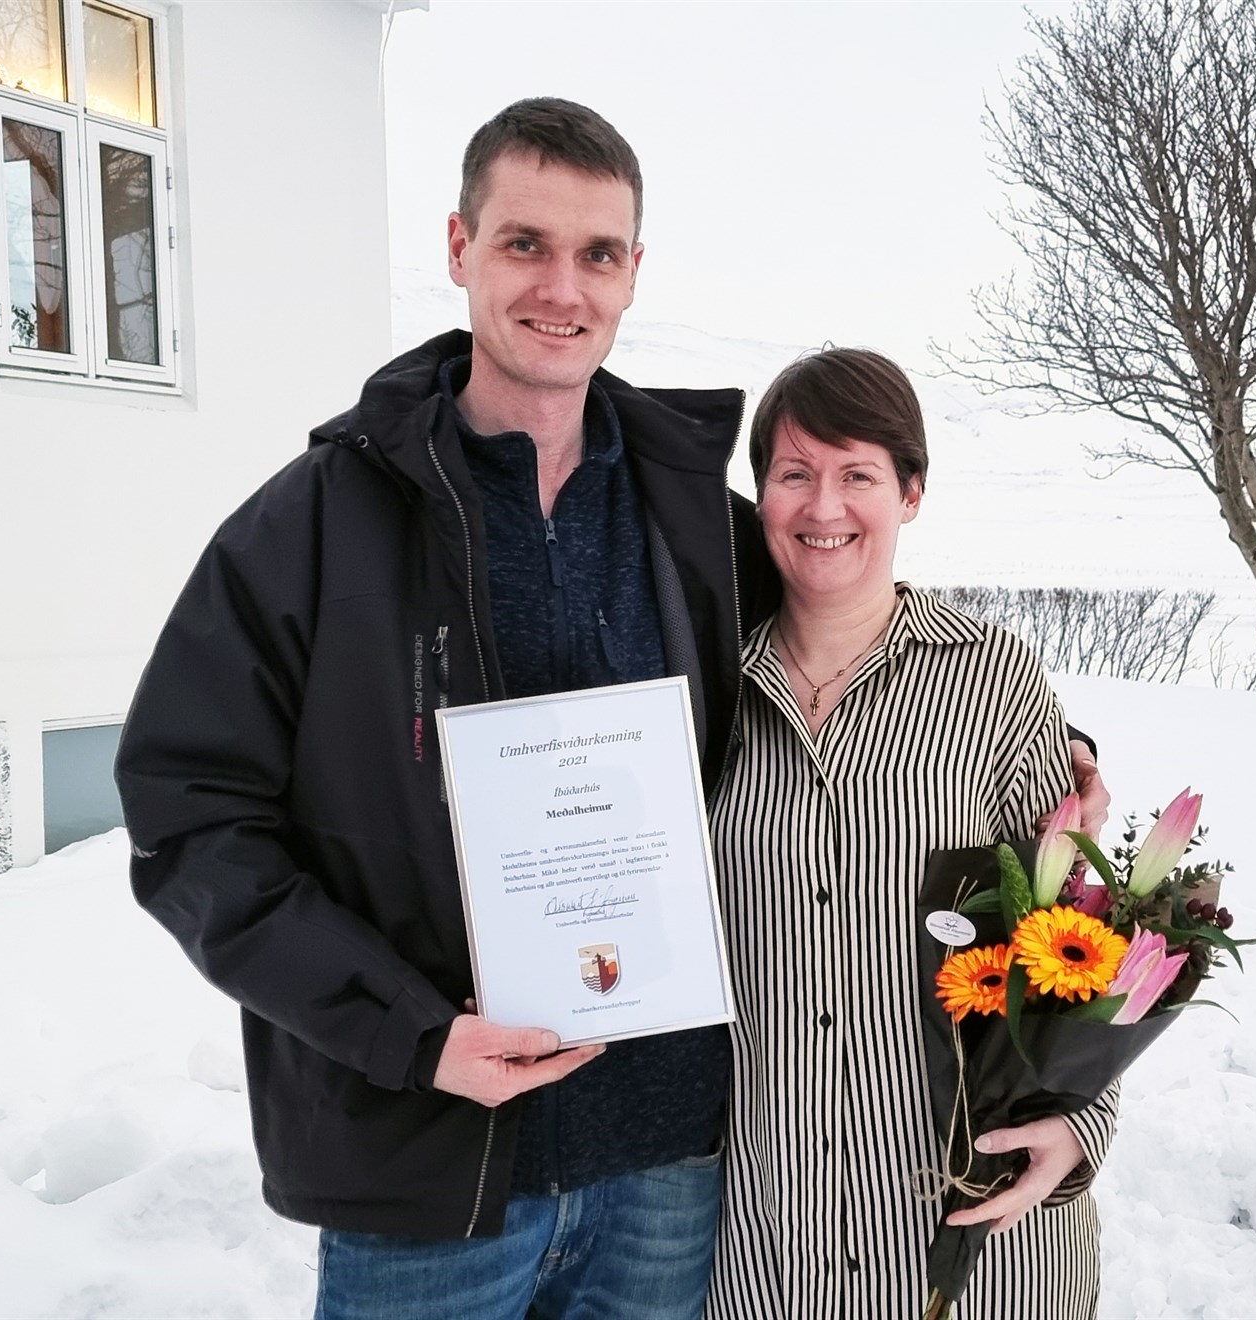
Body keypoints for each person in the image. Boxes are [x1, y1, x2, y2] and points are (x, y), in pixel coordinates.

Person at [115, 99, 1110, 1317]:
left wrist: (1044, 740)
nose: (561, 286)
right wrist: (412, 1036)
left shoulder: (689, 515)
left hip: (669, 1179)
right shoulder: (315, 524)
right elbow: (189, 823)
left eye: (597, 253)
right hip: (428, 1176)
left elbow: (847, 600)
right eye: (525, 243)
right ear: (456, 247)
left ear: (634, 272)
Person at [706, 349, 1119, 1319]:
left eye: (858, 475)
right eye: (793, 473)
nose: (823, 507)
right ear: (759, 493)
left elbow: (1077, 933)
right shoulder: (704, 693)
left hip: (977, 1235)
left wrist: (1083, 1126)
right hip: (776, 1240)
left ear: (911, 492)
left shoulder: (992, 680)